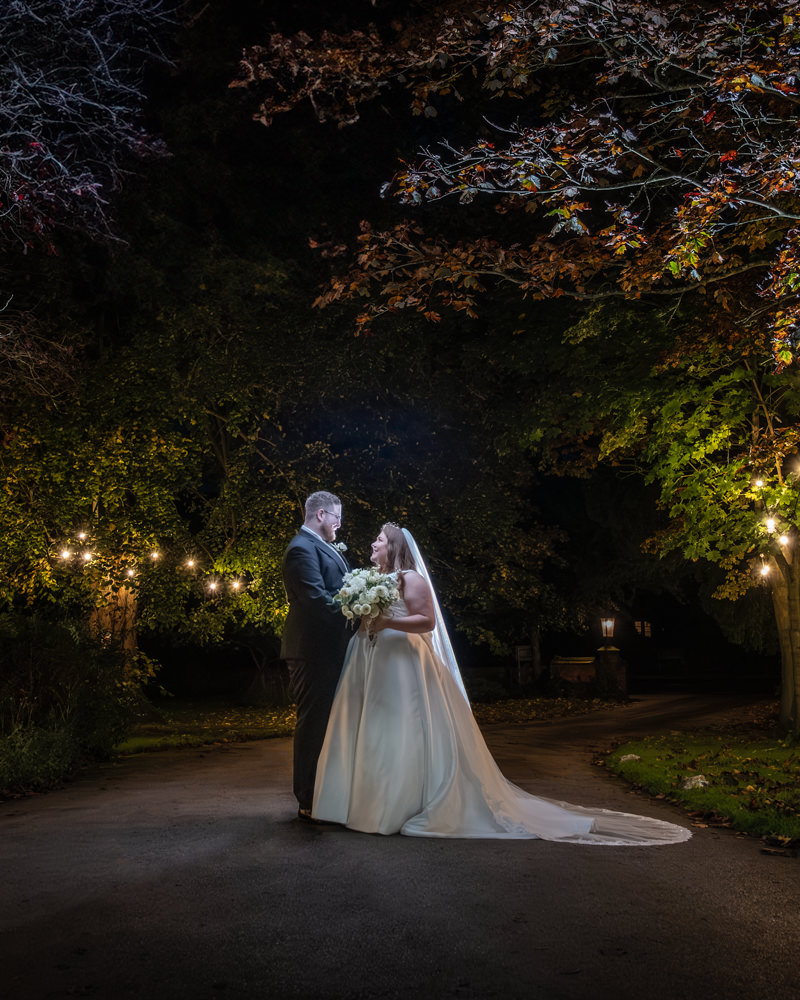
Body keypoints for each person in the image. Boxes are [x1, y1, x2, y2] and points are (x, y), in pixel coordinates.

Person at [312, 524, 691, 845]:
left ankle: (400, 804)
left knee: (403, 729)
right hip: (373, 663)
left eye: (379, 539)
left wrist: (386, 623)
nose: (373, 543)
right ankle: (367, 802)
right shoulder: (371, 580)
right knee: (375, 730)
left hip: (403, 666)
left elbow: (425, 621)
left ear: (393, 547)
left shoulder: (409, 578)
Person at [281, 491, 351, 821]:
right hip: (312, 652)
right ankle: (307, 799)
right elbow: (316, 600)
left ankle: (326, 794)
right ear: (321, 515)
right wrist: (359, 613)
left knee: (328, 724)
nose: (340, 525)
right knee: (313, 724)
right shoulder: (300, 550)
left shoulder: (318, 547)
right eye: (337, 518)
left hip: (329, 650)